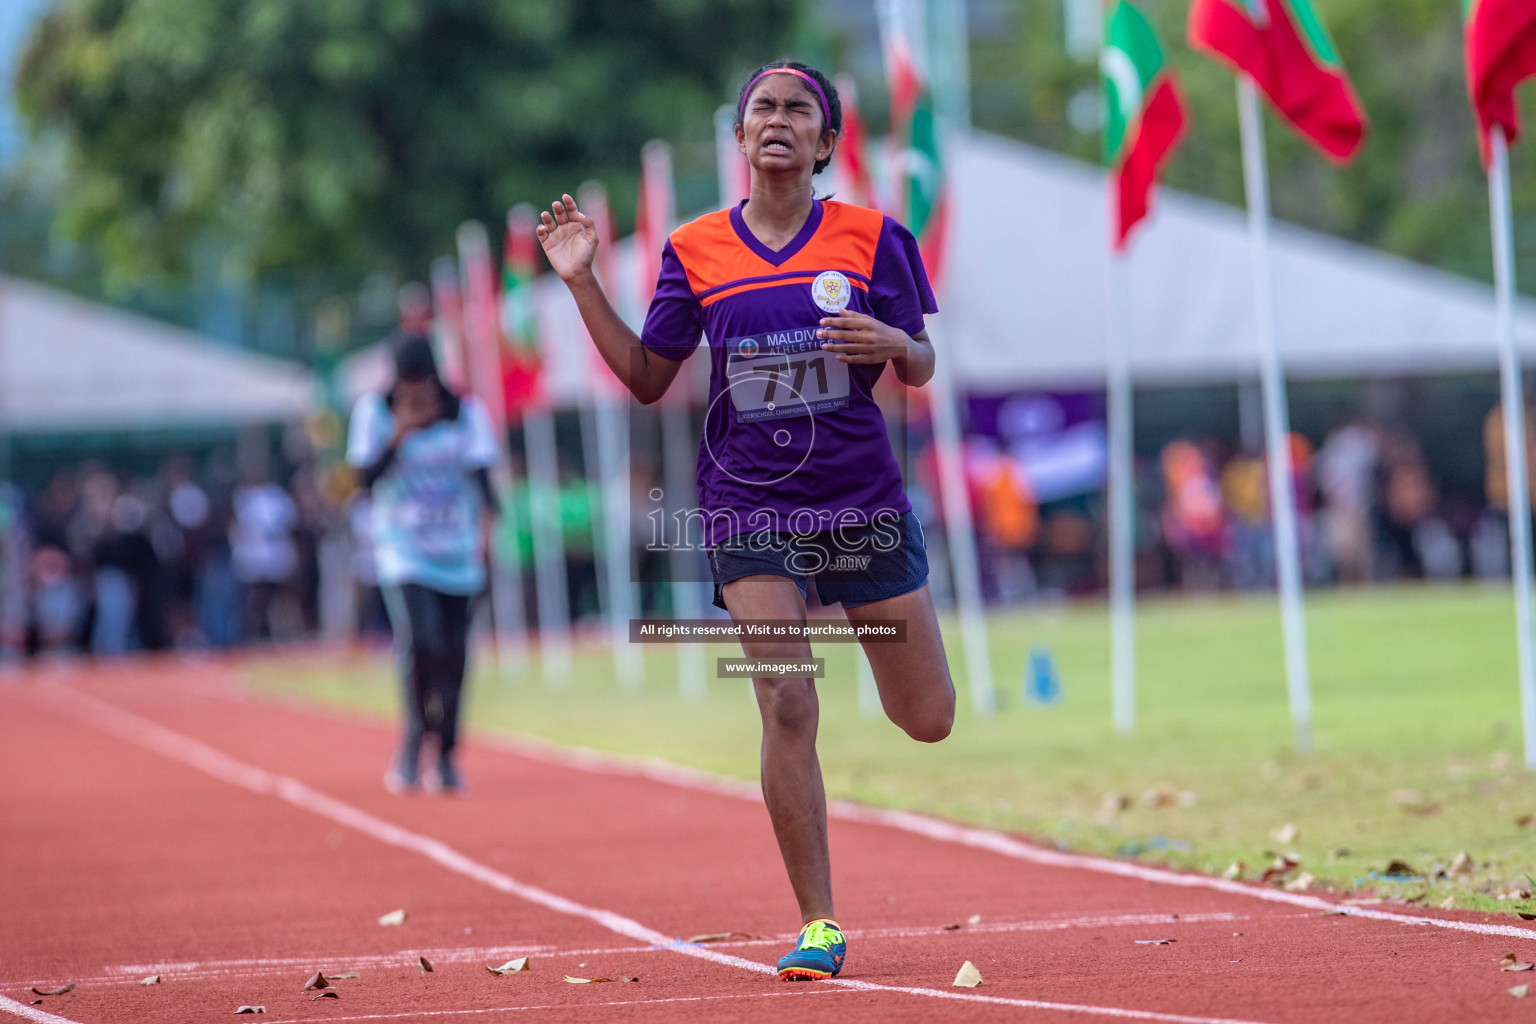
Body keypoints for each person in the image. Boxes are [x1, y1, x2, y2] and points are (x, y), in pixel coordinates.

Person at [538, 60, 955, 981]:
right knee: (786, 696)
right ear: (738, 138)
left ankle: (864, 635)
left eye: (796, 109)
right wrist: (580, 283)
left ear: (824, 140)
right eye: (760, 108)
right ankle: (819, 923)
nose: (777, 120)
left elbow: (921, 364)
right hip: (747, 504)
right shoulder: (694, 249)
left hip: (859, 501)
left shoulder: (875, 239)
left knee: (928, 719)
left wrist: (894, 344)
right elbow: (650, 379)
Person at [347, 333, 500, 795]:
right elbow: (363, 481)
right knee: (422, 643)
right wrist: (399, 434)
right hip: (404, 552)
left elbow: (485, 486)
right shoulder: (374, 413)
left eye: (424, 389)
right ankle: (414, 741)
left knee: (455, 656)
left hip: (458, 553)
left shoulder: (467, 415)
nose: (417, 399)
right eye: (407, 390)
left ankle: (448, 755)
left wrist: (487, 538)